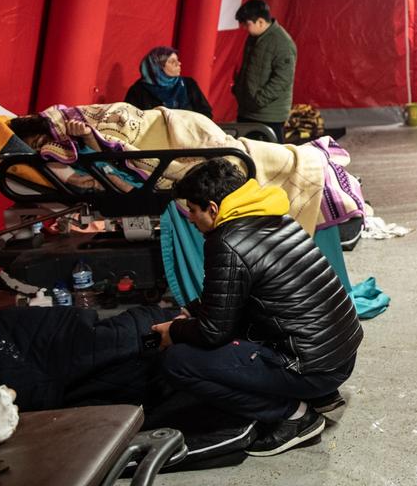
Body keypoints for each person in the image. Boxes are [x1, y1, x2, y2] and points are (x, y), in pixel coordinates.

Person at [154, 158, 363, 457]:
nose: (189, 218)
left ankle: (293, 415)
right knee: (242, 325)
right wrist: (194, 310)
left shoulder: (225, 240)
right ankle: (319, 395)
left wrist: (174, 330)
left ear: (213, 209)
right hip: (340, 356)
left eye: (193, 210)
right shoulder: (275, 216)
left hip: (313, 369)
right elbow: (245, 290)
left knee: (178, 361)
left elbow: (213, 333)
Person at [233, 0, 297, 142]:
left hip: (268, 115)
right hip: (247, 110)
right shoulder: (253, 38)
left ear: (261, 21)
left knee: (272, 158)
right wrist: (238, 89)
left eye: (246, 23)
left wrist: (258, 100)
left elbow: (282, 79)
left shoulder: (282, 43)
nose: (244, 27)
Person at [123, 46, 213, 118]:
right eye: (172, 61)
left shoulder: (189, 84)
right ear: (157, 67)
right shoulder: (138, 90)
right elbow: (129, 118)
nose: (179, 64)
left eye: (177, 60)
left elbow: (205, 113)